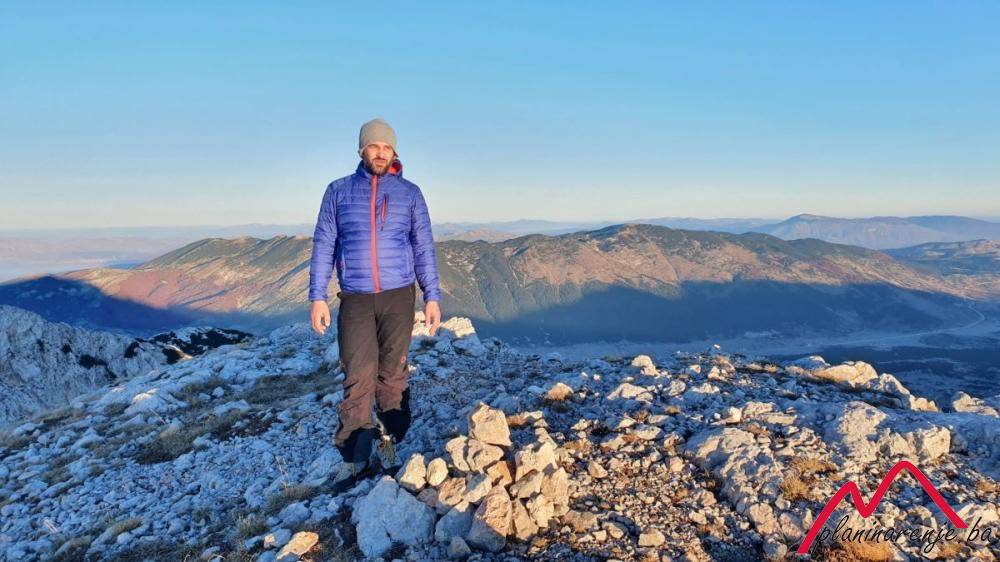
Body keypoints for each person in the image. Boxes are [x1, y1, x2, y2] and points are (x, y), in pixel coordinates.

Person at [308, 117, 442, 492]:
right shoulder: (338, 191)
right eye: (374, 146)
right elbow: (324, 244)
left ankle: (389, 440)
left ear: (394, 152)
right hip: (355, 297)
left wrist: (432, 295)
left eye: (387, 147)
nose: (381, 153)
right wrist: (317, 296)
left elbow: (423, 247)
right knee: (357, 374)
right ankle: (354, 457)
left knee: (393, 373)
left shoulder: (410, 194)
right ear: (362, 150)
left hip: (399, 295)